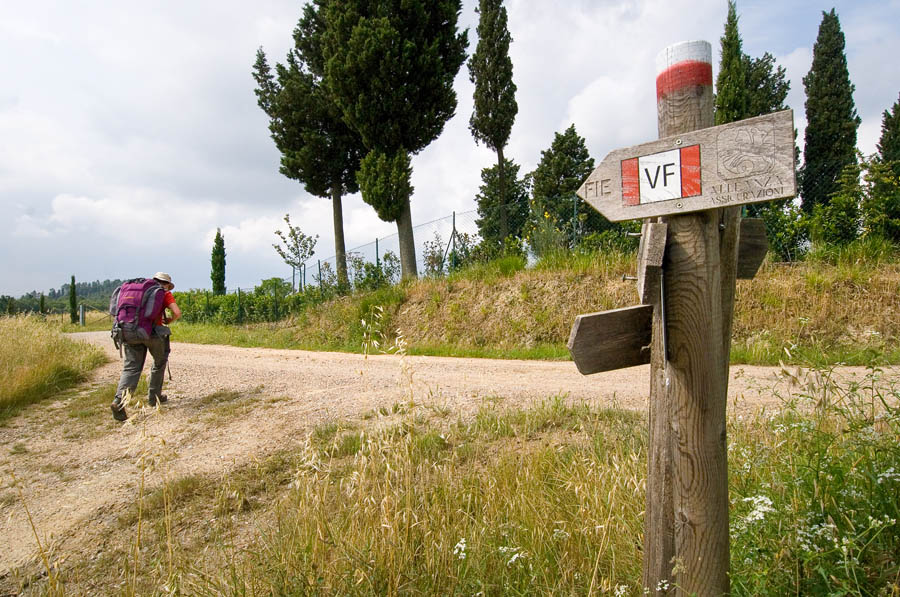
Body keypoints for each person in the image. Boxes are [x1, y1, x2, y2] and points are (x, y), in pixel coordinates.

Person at [111, 272, 182, 421]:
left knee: (131, 368)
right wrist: (169, 320)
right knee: (159, 362)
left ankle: (118, 401)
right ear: (167, 285)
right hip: (152, 334)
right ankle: (154, 397)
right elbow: (177, 312)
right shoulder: (163, 293)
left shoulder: (137, 290)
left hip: (128, 331)